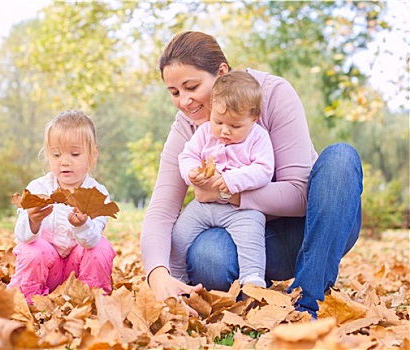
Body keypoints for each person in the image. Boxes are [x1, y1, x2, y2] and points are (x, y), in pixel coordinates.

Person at [140, 31, 363, 318]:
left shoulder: (273, 94)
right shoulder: (188, 126)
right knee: (208, 258)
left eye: (191, 87)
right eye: (174, 92)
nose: (184, 102)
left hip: (312, 229)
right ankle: (255, 289)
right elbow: (161, 210)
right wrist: (157, 274)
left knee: (341, 158)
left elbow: (299, 193)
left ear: (221, 72)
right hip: (250, 239)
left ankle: (309, 299)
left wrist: (230, 193)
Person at [170, 70, 274, 290]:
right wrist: (191, 172)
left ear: (253, 118)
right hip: (203, 205)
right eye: (219, 122)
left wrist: (232, 179)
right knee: (179, 234)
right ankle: (177, 277)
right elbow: (187, 155)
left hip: (241, 209)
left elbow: (264, 169)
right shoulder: (205, 132)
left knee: (251, 240)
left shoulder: (258, 137)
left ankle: (252, 282)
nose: (225, 131)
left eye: (235, 126)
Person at [8, 109, 117, 303]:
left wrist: (82, 225)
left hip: (78, 271)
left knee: (101, 247)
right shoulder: (38, 188)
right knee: (31, 248)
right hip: (47, 269)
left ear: (92, 155)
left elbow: (91, 241)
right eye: (56, 155)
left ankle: (92, 299)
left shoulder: (97, 194)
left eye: (75, 154)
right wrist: (32, 221)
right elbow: (22, 236)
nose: (64, 162)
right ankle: (29, 300)